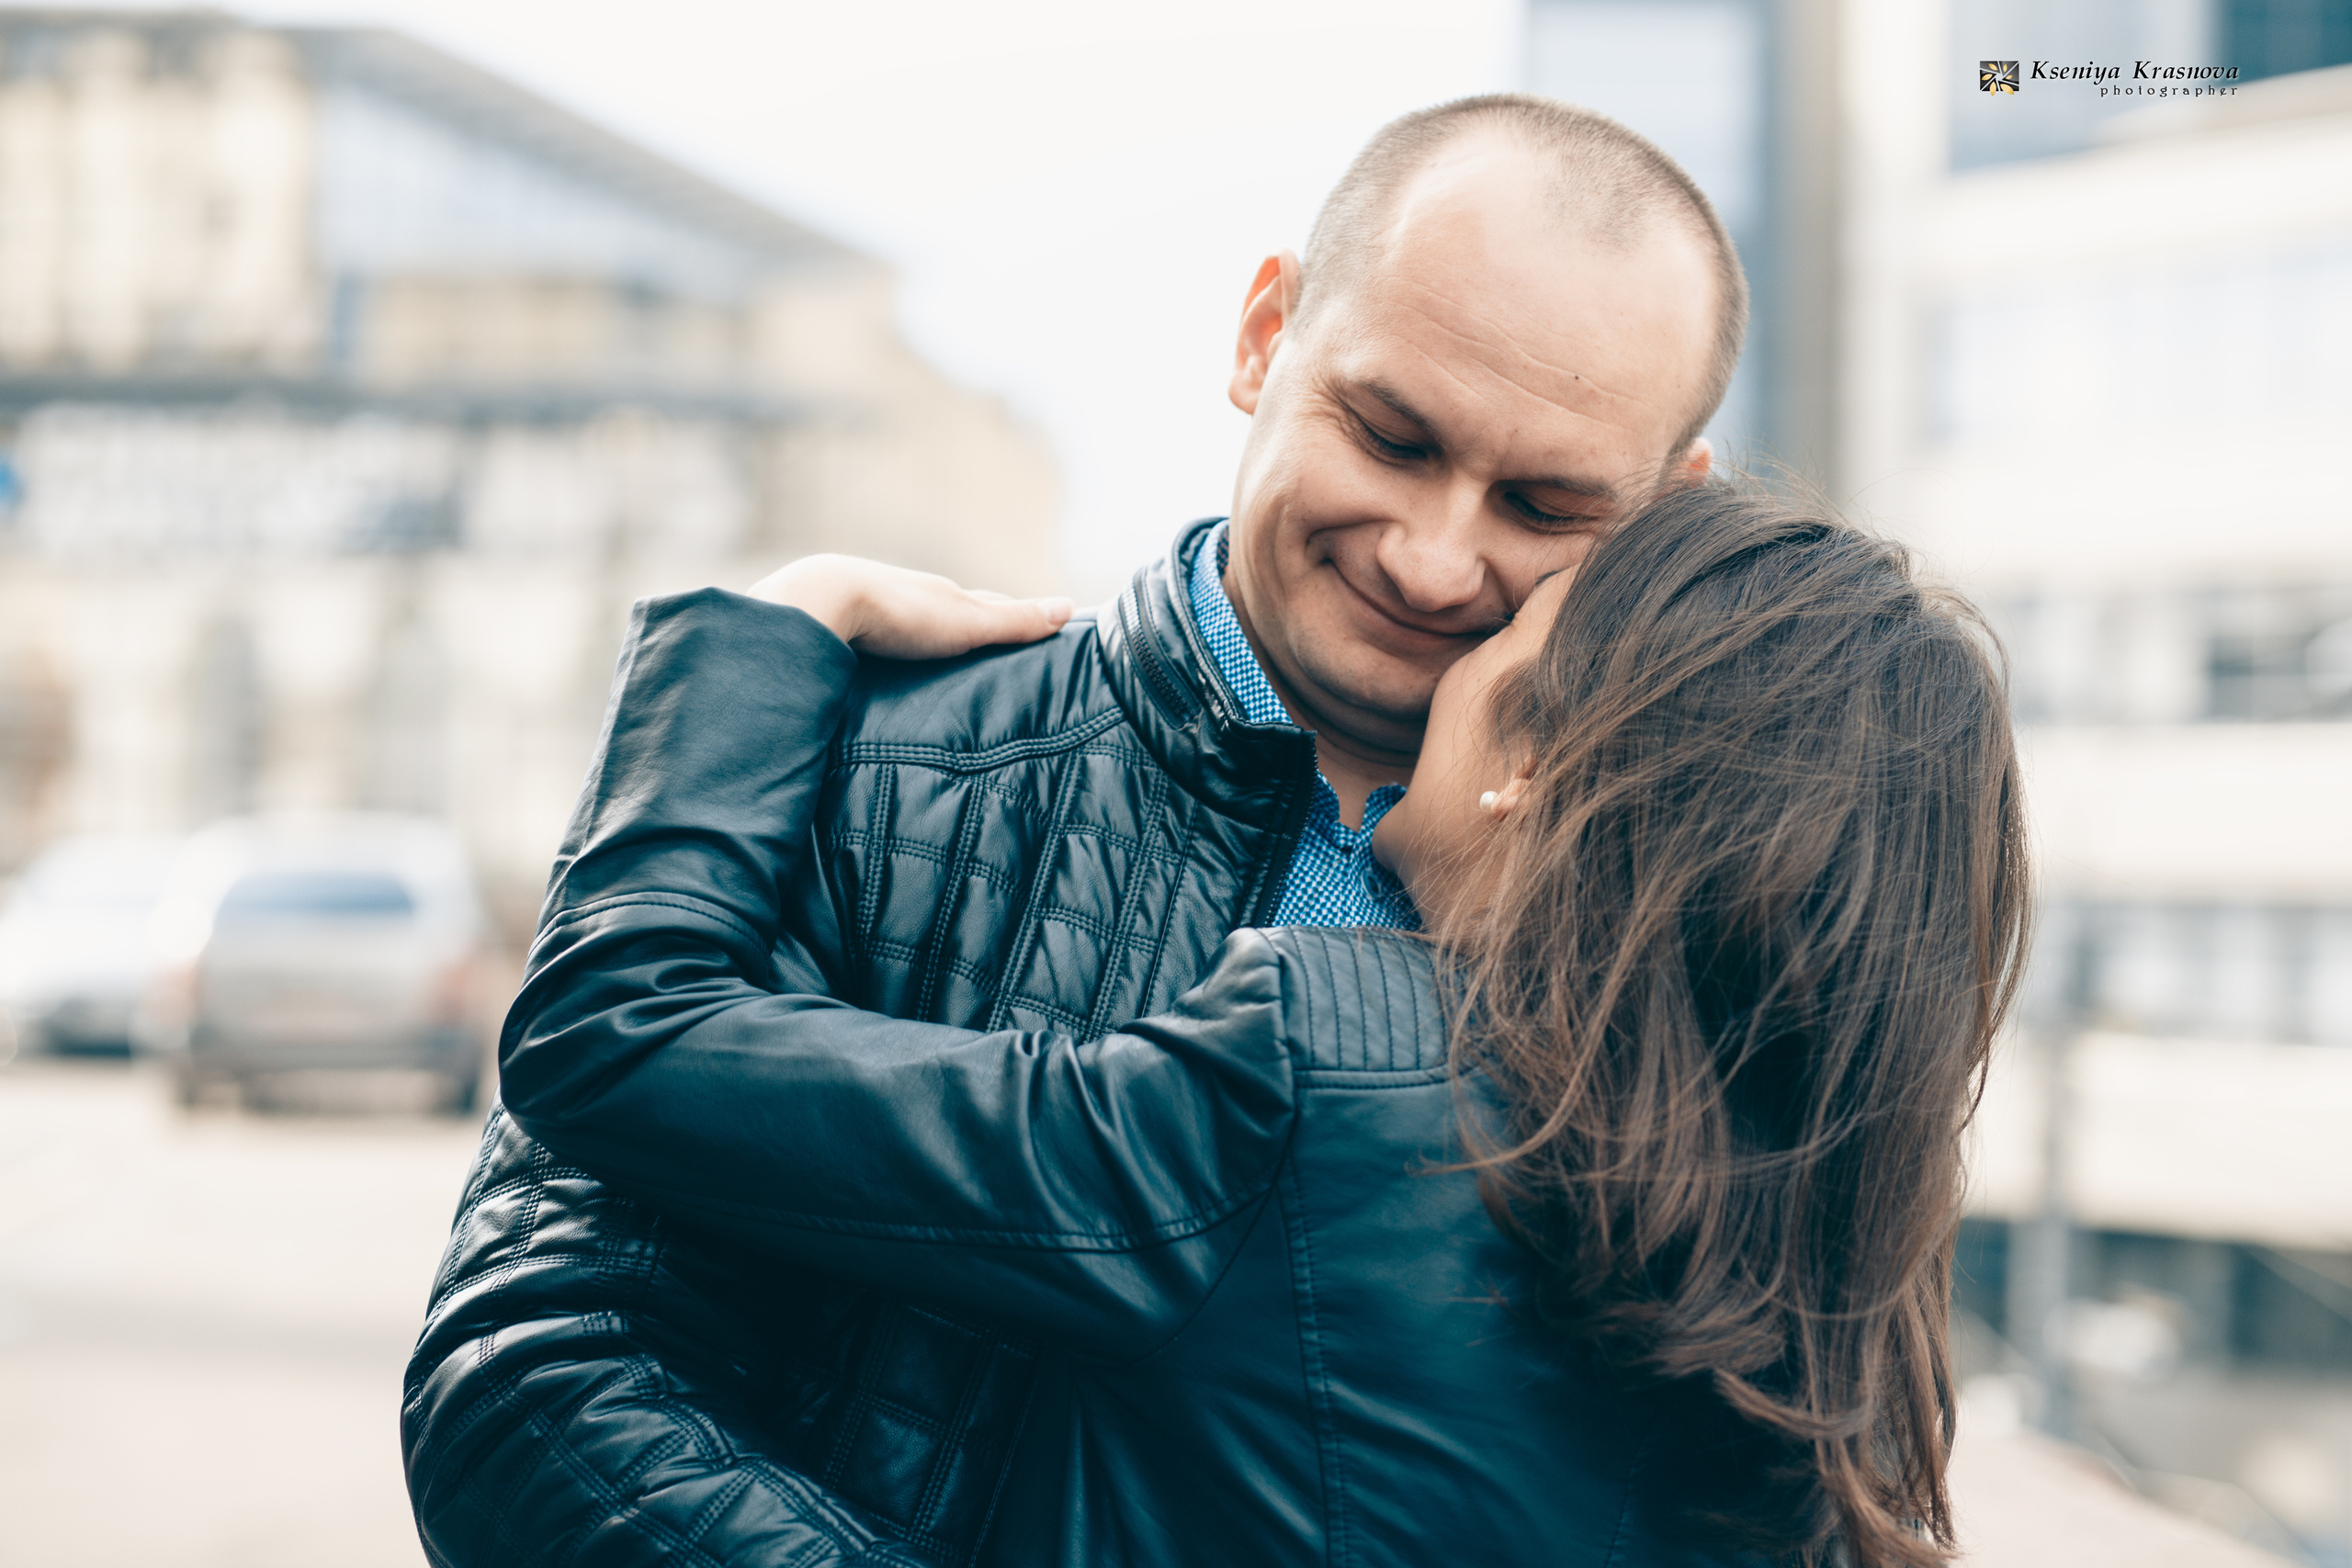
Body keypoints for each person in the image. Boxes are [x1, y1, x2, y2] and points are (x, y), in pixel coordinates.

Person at [405, 94, 1747, 1565]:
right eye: (1391, 434)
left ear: (1665, 514)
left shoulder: (1709, 922)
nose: (1433, 560)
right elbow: (531, 1371)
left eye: (1547, 506)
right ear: (1262, 337)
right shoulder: (873, 768)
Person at [482, 481, 2031, 1567]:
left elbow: (611, 1039)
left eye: (1502, 651)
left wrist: (778, 624)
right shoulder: (1839, 1298)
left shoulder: (1321, 1077)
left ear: (1534, 771)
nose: (1442, 626)